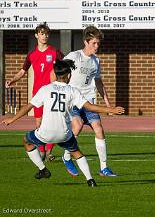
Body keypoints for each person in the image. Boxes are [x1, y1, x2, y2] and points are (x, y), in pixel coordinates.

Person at [1, 59, 125, 187]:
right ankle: (90, 180)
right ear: (69, 75)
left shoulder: (46, 89)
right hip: (64, 134)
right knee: (77, 153)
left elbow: (28, 107)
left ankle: (43, 169)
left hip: (45, 134)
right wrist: (111, 109)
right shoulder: (72, 91)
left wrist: (12, 119)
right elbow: (90, 107)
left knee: (26, 140)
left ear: (55, 74)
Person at [61, 25, 117, 177]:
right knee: (77, 126)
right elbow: (59, 70)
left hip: (88, 101)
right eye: (94, 43)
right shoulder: (74, 56)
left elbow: (98, 83)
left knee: (98, 127)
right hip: (73, 100)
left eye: (98, 43)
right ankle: (66, 157)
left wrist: (108, 104)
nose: (97, 46)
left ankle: (104, 168)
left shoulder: (95, 61)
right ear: (86, 42)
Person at [5, 22, 64, 162]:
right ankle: (42, 151)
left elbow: (66, 65)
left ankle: (49, 151)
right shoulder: (32, 54)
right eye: (42, 33)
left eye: (47, 34)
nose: (45, 36)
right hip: (38, 93)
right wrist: (13, 81)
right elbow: (22, 71)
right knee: (39, 124)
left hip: (52, 92)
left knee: (53, 123)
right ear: (37, 35)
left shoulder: (54, 51)